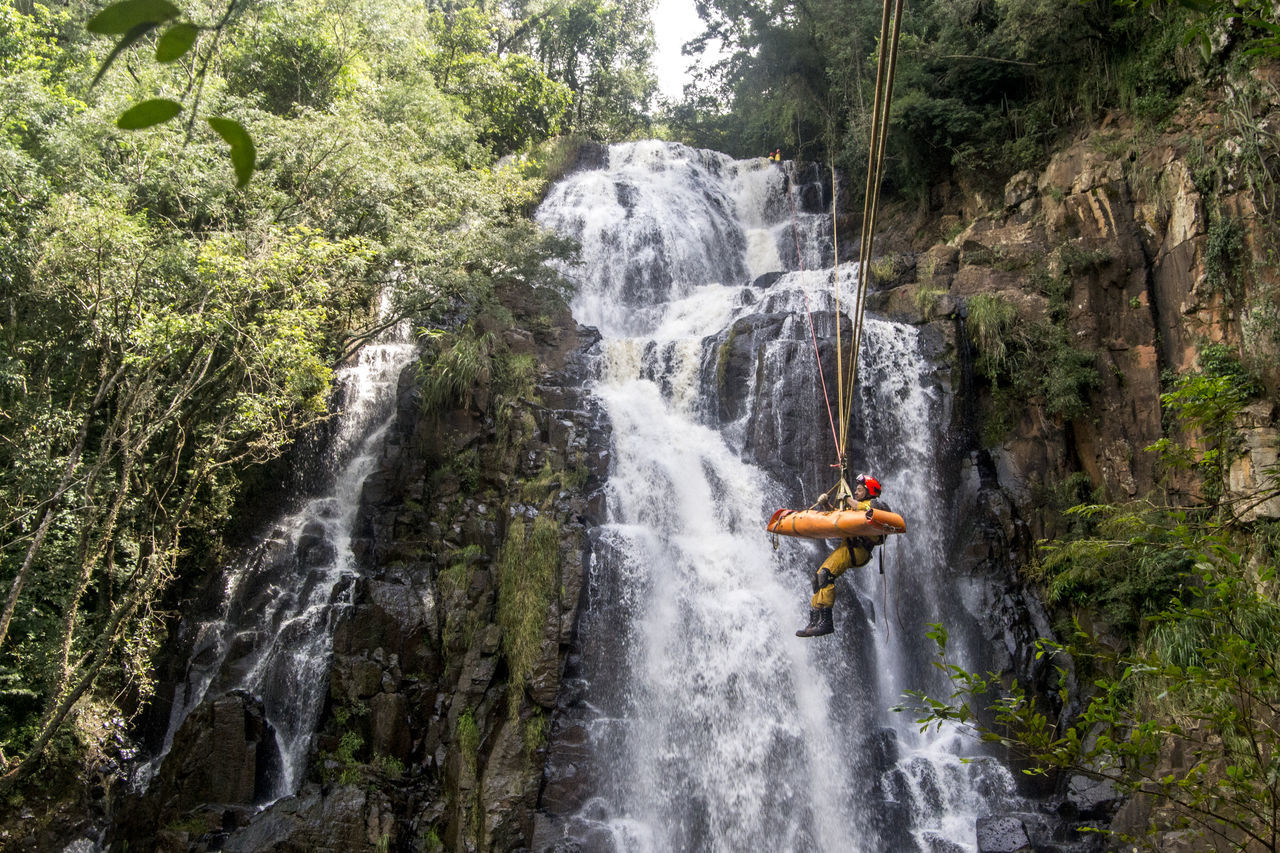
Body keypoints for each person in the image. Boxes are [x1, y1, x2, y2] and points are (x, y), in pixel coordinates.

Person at [796, 473, 887, 638]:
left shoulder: (874, 505)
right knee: (818, 578)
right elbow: (839, 517)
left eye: (859, 490)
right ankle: (814, 619)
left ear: (868, 491)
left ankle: (826, 622)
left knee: (826, 575)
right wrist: (826, 505)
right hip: (847, 547)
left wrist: (847, 498)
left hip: (858, 550)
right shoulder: (856, 508)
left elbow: (866, 510)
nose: (856, 492)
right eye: (856, 491)